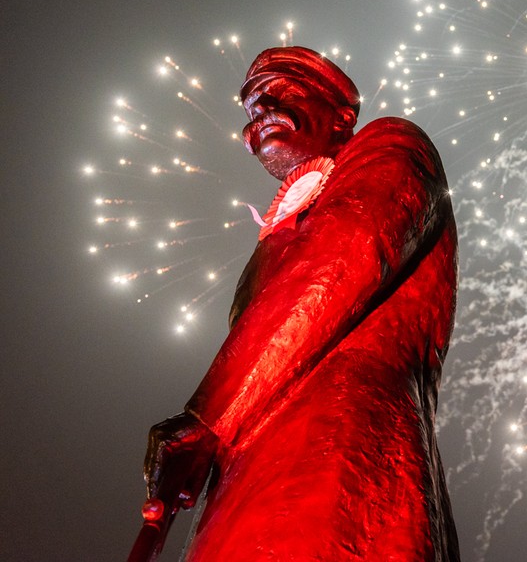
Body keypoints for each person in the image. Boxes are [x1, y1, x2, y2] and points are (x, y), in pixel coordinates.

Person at [142, 47, 459, 561]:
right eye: (248, 108)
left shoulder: (390, 144)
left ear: (342, 113)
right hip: (242, 467)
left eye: (279, 87)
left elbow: (337, 261)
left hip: (334, 445)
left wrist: (207, 419)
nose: (260, 110)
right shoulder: (273, 235)